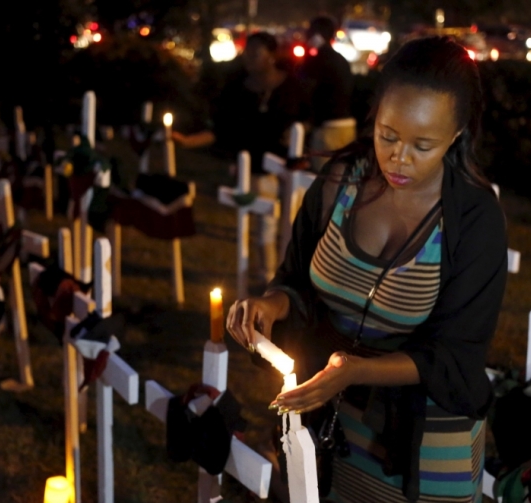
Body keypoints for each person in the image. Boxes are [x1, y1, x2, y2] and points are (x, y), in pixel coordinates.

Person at [227, 36, 507, 502]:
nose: (399, 157)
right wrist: (272, 303)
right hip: (331, 423)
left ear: (456, 136)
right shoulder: (340, 182)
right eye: (388, 135)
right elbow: (296, 278)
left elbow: (456, 354)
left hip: (423, 445)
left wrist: (355, 370)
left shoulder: (474, 220)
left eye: (423, 145)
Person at [173, 32, 308, 281]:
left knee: (292, 228)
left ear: (271, 56)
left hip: (289, 170)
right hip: (257, 169)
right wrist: (188, 141)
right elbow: (223, 130)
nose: (249, 58)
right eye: (247, 52)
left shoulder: (291, 88)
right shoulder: (237, 89)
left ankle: (294, 279)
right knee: (264, 229)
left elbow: (306, 123)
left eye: (256, 53)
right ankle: (269, 278)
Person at [299, 16, 356, 171]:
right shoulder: (340, 60)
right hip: (347, 126)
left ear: (316, 34)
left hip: (328, 130)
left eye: (309, 32)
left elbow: (306, 92)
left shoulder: (317, 60)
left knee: (323, 180)